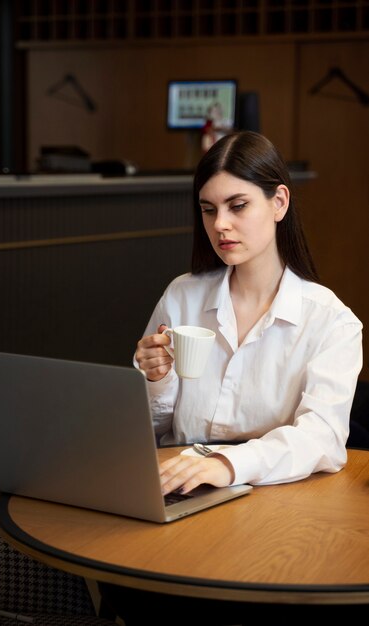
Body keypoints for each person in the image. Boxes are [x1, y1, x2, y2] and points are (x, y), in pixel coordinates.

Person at [99, 130, 363, 624]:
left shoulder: (331, 321)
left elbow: (324, 438)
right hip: (178, 498)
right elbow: (147, 433)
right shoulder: (182, 296)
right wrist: (154, 379)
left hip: (274, 514)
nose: (220, 225)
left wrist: (226, 463)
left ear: (279, 201)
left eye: (238, 205)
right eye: (208, 209)